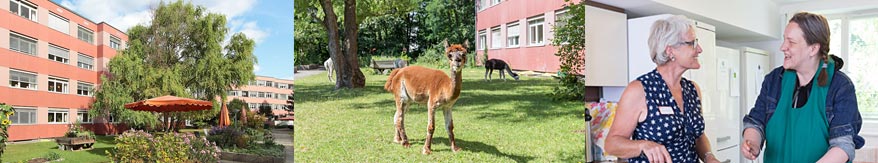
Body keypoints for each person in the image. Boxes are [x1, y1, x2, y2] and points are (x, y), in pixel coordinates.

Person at [741, 12, 865, 162]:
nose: (782, 47)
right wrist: (752, 142)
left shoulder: (840, 86)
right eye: (784, 40)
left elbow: (843, 146)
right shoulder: (774, 80)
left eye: (791, 42)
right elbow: (756, 122)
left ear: (813, 49)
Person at [605, 15, 720, 163]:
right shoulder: (640, 90)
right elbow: (611, 144)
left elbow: (698, 136)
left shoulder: (693, 90)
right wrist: (643, 145)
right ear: (670, 50)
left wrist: (708, 157)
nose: (699, 49)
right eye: (692, 43)